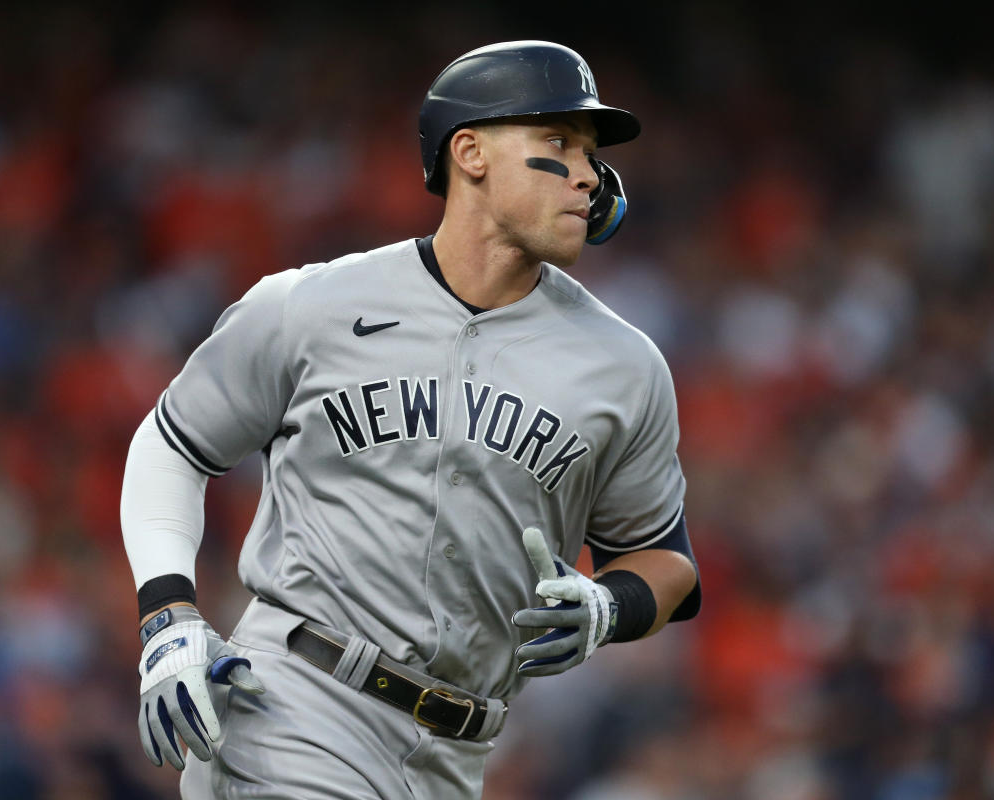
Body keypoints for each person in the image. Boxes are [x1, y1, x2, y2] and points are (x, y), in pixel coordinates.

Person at [121, 39, 701, 800]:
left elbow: (667, 563)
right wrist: (167, 615)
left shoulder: (624, 365)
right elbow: (172, 446)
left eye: (592, 152)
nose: (589, 174)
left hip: (456, 756)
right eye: (559, 143)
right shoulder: (310, 305)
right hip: (296, 706)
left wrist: (607, 605)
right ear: (471, 153)